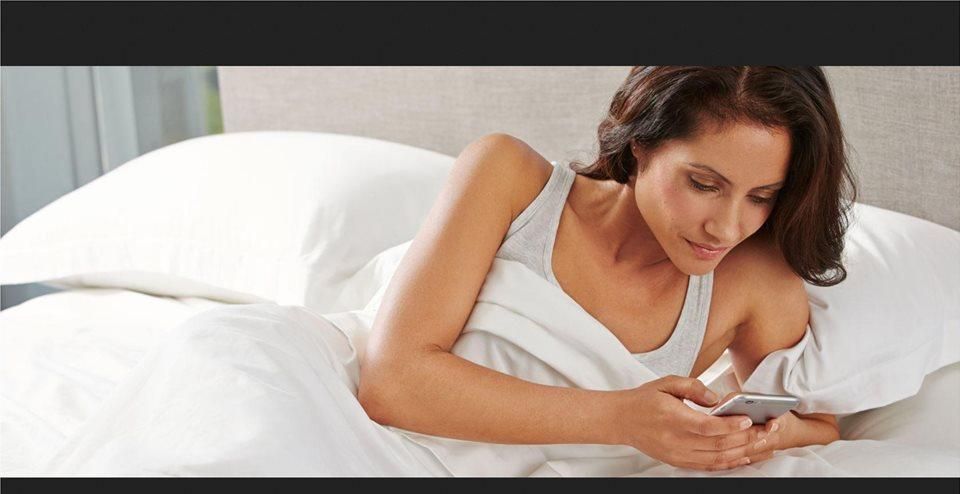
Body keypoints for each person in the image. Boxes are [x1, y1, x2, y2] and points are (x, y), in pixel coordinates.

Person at [357, 66, 857, 472]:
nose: (726, 228)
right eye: (704, 185)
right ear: (641, 143)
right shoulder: (510, 180)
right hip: (377, 447)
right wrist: (622, 418)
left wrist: (754, 436)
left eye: (761, 197)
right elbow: (393, 383)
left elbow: (817, 427)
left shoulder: (756, 282)